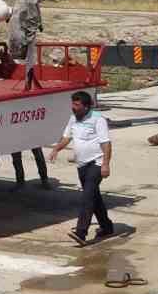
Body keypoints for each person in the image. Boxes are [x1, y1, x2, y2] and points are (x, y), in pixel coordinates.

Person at [47, 90, 114, 246]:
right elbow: (67, 137)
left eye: (77, 105)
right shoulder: (73, 119)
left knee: (87, 198)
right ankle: (107, 226)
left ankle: (81, 233)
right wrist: (57, 149)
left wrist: (105, 164)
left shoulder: (98, 120)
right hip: (82, 164)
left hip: (96, 163)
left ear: (86, 106)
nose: (73, 107)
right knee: (94, 197)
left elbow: (106, 143)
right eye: (73, 104)